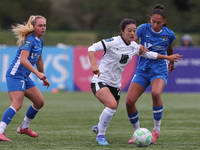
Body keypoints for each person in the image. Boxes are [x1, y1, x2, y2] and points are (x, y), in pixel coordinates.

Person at [88, 18, 182, 146]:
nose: (132, 33)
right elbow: (91, 47)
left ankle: (99, 127)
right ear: (122, 32)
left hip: (115, 85)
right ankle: (101, 135)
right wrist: (94, 65)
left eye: (134, 30)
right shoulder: (114, 42)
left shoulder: (134, 47)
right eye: (129, 31)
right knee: (111, 105)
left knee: (111, 111)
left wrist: (167, 57)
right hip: (100, 80)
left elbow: (150, 55)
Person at [126, 4, 178, 144]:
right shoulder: (143, 28)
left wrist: (171, 63)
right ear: (150, 20)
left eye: (158, 22)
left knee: (155, 94)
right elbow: (130, 40)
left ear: (164, 22)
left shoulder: (169, 34)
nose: (155, 25)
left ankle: (156, 130)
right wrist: (136, 45)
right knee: (129, 102)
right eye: (153, 21)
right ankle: (136, 131)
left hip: (159, 70)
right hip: (142, 70)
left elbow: (170, 49)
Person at [0, 15, 50, 141]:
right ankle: (0, 131)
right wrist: (37, 74)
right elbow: (23, 60)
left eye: (44, 25)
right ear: (33, 27)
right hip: (15, 74)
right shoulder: (29, 40)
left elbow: (39, 60)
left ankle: (24, 127)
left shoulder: (40, 40)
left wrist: (43, 76)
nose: (43, 28)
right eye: (40, 25)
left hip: (24, 76)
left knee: (39, 102)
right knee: (17, 104)